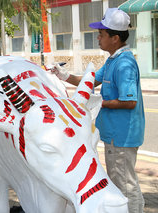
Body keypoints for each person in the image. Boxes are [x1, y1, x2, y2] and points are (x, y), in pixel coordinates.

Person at [50, 8, 145, 213]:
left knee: (126, 186)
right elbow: (89, 81)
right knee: (119, 181)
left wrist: (99, 101)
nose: (98, 38)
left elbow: (130, 102)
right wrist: (64, 75)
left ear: (115, 38)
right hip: (114, 135)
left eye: (102, 34)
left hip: (122, 137)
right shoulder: (112, 60)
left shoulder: (124, 64)